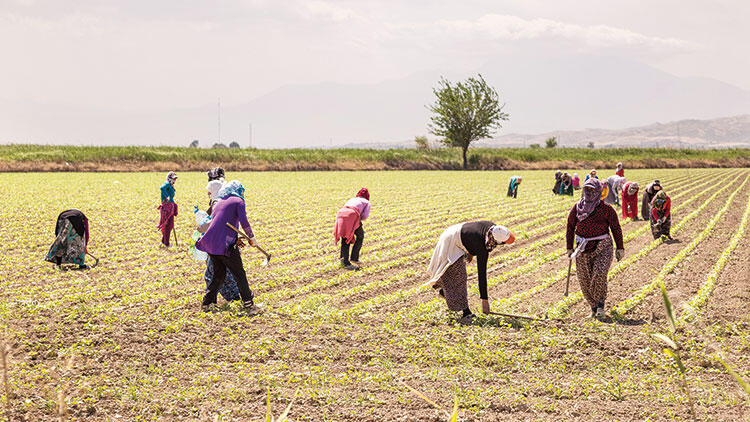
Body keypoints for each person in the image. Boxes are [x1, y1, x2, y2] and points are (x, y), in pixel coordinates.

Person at [427, 221, 515, 324]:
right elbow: (481, 274)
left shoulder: (491, 228)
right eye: (503, 243)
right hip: (450, 240)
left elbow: (473, 235)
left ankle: (446, 292)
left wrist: (470, 252)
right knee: (459, 276)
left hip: (456, 232)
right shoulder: (482, 247)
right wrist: (484, 301)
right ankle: (466, 313)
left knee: (455, 273)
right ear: (496, 241)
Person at [195, 181, 261, 316]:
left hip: (211, 242)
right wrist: (252, 238)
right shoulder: (239, 201)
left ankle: (207, 303)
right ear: (238, 190)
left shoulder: (219, 201)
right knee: (239, 274)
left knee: (219, 274)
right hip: (225, 245)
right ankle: (249, 304)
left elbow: (219, 224)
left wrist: (236, 237)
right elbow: (244, 222)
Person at [566, 178, 625, 320]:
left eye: (593, 190)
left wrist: (620, 247)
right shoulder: (577, 207)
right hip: (582, 248)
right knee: (585, 279)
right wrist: (569, 247)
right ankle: (593, 308)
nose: (590, 193)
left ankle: (600, 306)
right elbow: (570, 226)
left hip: (603, 246)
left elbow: (616, 228)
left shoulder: (606, 209)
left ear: (599, 191)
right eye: (587, 189)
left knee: (599, 274)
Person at [199, 179, 240, 302]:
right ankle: (233, 297)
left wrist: (201, 227)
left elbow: (213, 224)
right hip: (222, 243)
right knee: (223, 273)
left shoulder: (217, 203)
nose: (208, 195)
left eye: (209, 192)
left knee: (214, 274)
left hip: (218, 244)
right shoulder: (224, 202)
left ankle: (232, 297)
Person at [334, 188, 371, 270]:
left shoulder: (353, 199)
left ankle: (343, 259)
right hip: (352, 214)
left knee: (345, 236)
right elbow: (364, 216)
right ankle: (352, 259)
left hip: (340, 214)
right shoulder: (367, 202)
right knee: (360, 236)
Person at [158, 171, 178, 247]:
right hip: (167, 207)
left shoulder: (170, 185)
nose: (174, 181)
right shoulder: (166, 184)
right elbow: (162, 188)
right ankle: (166, 243)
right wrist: (167, 197)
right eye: (173, 179)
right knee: (168, 225)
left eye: (175, 179)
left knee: (169, 225)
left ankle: (163, 242)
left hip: (170, 206)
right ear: (169, 178)